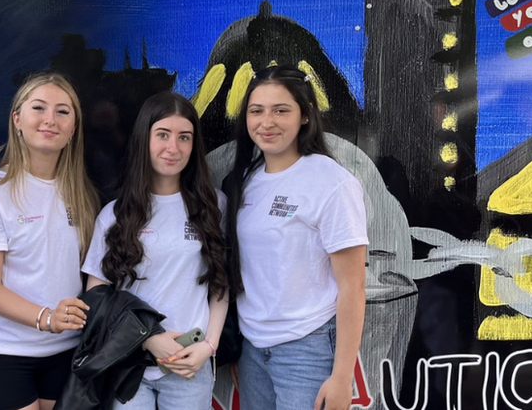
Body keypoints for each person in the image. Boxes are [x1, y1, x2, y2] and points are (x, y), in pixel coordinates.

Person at [223, 65, 367, 410]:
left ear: (305, 116)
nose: (266, 122)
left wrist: (342, 376)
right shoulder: (245, 180)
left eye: (281, 110)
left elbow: (353, 287)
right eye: (256, 111)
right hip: (253, 348)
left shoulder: (331, 183)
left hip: (307, 348)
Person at [82, 91, 228, 409]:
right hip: (128, 364)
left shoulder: (214, 205)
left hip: (191, 365)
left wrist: (210, 346)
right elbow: (96, 293)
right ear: (143, 139)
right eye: (162, 134)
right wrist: (148, 338)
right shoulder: (114, 214)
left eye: (184, 137)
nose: (173, 148)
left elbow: (220, 287)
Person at [0, 73, 100, 410]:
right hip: (5, 354)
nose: (49, 120)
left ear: (73, 128)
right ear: (17, 120)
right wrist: (46, 317)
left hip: (68, 353)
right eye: (38, 107)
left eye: (63, 112)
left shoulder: (82, 194)